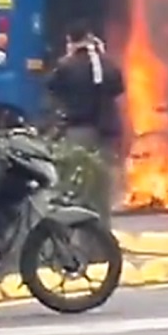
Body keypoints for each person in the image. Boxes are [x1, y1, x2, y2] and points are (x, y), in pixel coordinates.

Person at [45, 22, 124, 225]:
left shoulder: (67, 66)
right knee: (101, 187)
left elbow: (52, 88)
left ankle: (80, 235)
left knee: (77, 185)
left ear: (70, 41)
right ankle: (103, 234)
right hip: (105, 132)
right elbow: (118, 87)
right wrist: (101, 54)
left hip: (78, 131)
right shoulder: (106, 63)